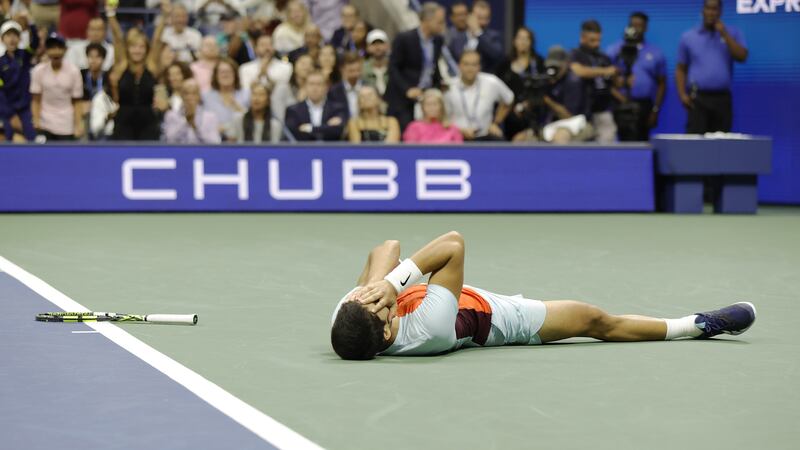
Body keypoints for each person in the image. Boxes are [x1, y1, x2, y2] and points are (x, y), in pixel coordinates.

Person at [330, 232, 758, 360]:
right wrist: (392, 283)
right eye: (377, 306)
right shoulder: (428, 329)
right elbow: (453, 245)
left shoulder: (351, 315)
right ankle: (697, 325)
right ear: (388, 331)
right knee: (594, 320)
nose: (370, 299)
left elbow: (384, 247)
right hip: (497, 318)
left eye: (363, 299)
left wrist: (382, 284)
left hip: (436, 292)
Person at [676, 0, 747, 134]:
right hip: (697, 98)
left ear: (720, 12)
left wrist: (724, 34)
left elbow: (742, 56)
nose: (711, 13)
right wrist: (682, 94)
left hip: (722, 98)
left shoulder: (732, 32)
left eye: (715, 9)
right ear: (702, 11)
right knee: (695, 144)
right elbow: (681, 68)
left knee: (721, 146)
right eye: (708, 8)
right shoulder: (689, 36)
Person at [106, 0, 166, 141]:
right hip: (123, 123)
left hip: (148, 124)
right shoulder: (121, 65)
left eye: (141, 47)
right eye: (133, 46)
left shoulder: (151, 66)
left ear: (146, 49)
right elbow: (118, 38)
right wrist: (110, 14)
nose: (137, 50)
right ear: (127, 48)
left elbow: (157, 39)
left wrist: (165, 15)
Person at [606, 12, 667, 141]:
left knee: (643, 142)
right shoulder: (614, 50)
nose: (636, 29)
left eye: (639, 25)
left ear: (645, 28)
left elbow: (662, 83)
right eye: (633, 25)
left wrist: (655, 110)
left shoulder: (655, 52)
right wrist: (619, 94)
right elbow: (605, 80)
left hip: (645, 105)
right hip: (620, 104)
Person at [385, 2, 446, 131]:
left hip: (425, 97)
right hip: (402, 99)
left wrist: (439, 83)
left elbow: (431, 66)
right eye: (439, 22)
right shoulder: (404, 38)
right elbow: (393, 68)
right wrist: (407, 90)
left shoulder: (438, 41)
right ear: (427, 21)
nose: (443, 26)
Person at [444, 50, 513, 141]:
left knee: (499, 140)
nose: (470, 69)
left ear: (479, 67)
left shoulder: (491, 82)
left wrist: (496, 123)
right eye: (466, 64)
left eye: (474, 65)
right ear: (459, 66)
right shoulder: (448, 86)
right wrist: (460, 130)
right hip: (456, 137)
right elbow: (442, 118)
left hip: (485, 136)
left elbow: (509, 99)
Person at [568, 20, 618, 143]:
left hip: (603, 110)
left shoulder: (604, 58)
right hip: (581, 112)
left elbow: (614, 81)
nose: (597, 44)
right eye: (592, 40)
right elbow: (579, 71)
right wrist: (604, 71)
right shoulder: (575, 54)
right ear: (582, 38)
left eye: (599, 40)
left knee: (606, 149)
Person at [30, 33, 84, 141]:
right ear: (47, 50)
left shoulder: (74, 71)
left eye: (59, 48)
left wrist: (78, 124)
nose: (56, 52)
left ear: (65, 50)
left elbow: (77, 101)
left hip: (66, 124)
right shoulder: (38, 71)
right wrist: (36, 120)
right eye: (52, 48)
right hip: (45, 123)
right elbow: (36, 100)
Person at [494, 27, 544, 140]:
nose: (522, 42)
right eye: (520, 38)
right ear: (514, 41)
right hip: (508, 113)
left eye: (526, 39)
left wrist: (529, 103)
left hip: (531, 112)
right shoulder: (505, 64)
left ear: (531, 42)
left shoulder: (538, 63)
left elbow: (543, 88)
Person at [284, 70, 348, 141]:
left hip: (331, 150)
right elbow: (294, 134)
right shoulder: (293, 110)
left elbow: (337, 131)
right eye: (311, 84)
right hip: (304, 150)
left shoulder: (337, 109)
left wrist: (310, 128)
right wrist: (326, 128)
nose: (315, 88)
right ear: (305, 87)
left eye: (319, 84)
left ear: (326, 88)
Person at [0, 21, 36, 142]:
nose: (12, 39)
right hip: (7, 109)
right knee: (7, 135)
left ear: (20, 38)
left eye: (15, 35)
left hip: (25, 108)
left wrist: (31, 24)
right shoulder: (0, 63)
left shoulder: (25, 55)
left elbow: (35, 43)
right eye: (8, 35)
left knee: (31, 136)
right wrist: (10, 115)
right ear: (2, 39)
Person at [447, 0, 503, 73]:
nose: (483, 22)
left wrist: (478, 33)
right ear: (469, 16)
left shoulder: (494, 37)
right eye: (479, 17)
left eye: (486, 18)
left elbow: (496, 55)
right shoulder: (457, 39)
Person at [202, 57, 250, 139]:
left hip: (241, 140)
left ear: (235, 74)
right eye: (222, 72)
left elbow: (253, 120)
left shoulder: (246, 94)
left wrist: (238, 108)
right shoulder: (206, 96)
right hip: (214, 141)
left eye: (229, 72)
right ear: (215, 76)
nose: (225, 75)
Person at [163, 78, 221, 143]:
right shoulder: (171, 115)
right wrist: (186, 122)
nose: (190, 97)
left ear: (199, 96)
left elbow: (215, 141)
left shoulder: (210, 117)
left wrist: (195, 127)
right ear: (181, 95)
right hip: (179, 152)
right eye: (186, 93)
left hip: (202, 152)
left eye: (194, 93)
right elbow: (169, 140)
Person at [270, 53, 313, 126]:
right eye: (303, 63)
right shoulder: (282, 88)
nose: (307, 67)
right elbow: (279, 116)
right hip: (287, 129)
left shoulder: (316, 90)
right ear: (294, 65)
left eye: (310, 64)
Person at [328, 51, 363, 118]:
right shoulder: (334, 91)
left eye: (357, 70)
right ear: (342, 69)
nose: (355, 74)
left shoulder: (369, 88)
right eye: (351, 70)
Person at [362, 29, 389, 96]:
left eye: (380, 43)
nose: (377, 47)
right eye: (373, 44)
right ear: (367, 47)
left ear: (387, 45)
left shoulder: (394, 67)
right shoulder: (362, 69)